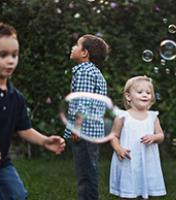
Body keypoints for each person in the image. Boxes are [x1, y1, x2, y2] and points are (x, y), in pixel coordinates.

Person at [0, 22, 66, 199]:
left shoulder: (16, 97)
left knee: (18, 196)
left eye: (15, 55)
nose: (11, 60)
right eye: (3, 55)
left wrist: (45, 141)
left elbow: (24, 129)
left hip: (1, 165)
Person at [63, 34, 109, 200]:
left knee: (86, 174)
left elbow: (83, 101)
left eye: (77, 45)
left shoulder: (85, 72)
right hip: (91, 132)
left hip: (84, 131)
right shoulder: (92, 72)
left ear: (84, 53)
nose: (73, 47)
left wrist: (77, 126)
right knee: (88, 170)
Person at [109, 76, 167, 199]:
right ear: (128, 96)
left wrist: (154, 137)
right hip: (128, 160)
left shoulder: (153, 117)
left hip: (147, 160)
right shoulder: (122, 116)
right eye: (140, 92)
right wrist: (118, 149)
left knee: (145, 189)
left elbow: (161, 135)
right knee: (128, 190)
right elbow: (114, 135)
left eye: (148, 92)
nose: (145, 95)